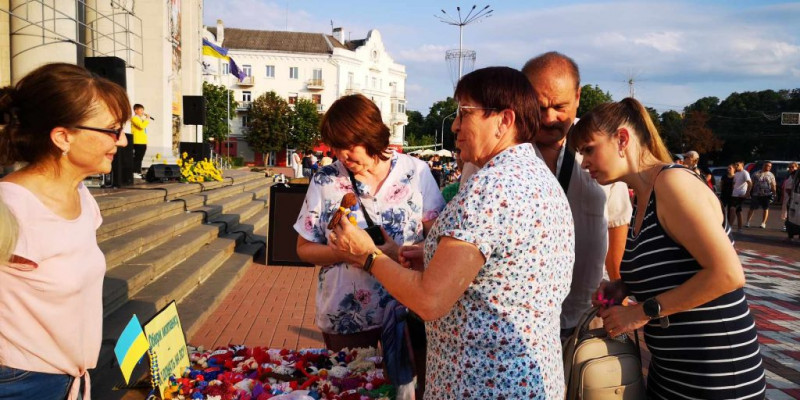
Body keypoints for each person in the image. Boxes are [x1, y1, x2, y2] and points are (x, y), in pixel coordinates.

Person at [329, 67, 574, 399]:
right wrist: (432, 258)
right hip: (528, 377)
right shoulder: (535, 177)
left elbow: (429, 301)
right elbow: (499, 275)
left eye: (464, 112)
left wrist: (367, 256)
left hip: (482, 382)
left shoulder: (491, 188)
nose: (456, 124)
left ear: (504, 120)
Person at [572, 97, 765, 399]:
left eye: (589, 149)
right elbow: (675, 268)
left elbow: (727, 275)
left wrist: (642, 312)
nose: (584, 163)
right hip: (673, 372)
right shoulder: (643, 197)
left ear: (622, 139)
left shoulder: (673, 184)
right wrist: (623, 287)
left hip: (717, 375)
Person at [294, 94, 445, 396]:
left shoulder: (415, 172)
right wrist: (342, 252)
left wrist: (399, 253)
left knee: (408, 390)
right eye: (335, 146)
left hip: (407, 306)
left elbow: (439, 241)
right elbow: (304, 247)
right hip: (346, 314)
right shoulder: (325, 179)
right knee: (348, 389)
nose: (342, 155)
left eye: (350, 145)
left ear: (372, 136)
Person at [0, 63, 131, 399]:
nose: (123, 141)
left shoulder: (82, 197)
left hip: (68, 380)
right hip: (20, 385)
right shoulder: (11, 207)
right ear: (63, 137)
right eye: (112, 130)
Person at [521, 51, 632, 336]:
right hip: (516, 321)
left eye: (560, 106)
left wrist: (618, 292)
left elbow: (617, 226)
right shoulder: (499, 150)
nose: (549, 118)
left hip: (584, 316)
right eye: (538, 106)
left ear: (578, 97)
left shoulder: (604, 150)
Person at [745, 161, 776, 229]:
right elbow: (751, 183)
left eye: (770, 166)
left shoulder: (771, 175)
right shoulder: (756, 173)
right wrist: (748, 192)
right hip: (756, 194)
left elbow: (773, 185)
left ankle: (763, 223)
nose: (768, 167)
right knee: (752, 208)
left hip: (767, 194)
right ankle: (748, 221)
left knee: (766, 208)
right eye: (767, 165)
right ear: (763, 165)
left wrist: (774, 193)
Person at [130, 103, 150, 178]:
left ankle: (138, 171)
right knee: (137, 157)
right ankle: (135, 172)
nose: (142, 111)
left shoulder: (140, 119)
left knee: (140, 157)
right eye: (140, 110)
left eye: (143, 110)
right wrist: (147, 119)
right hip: (137, 141)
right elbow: (141, 126)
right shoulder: (134, 118)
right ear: (135, 111)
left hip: (142, 141)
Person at [730, 161, 752, 230]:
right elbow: (734, 183)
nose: (736, 166)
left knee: (732, 209)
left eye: (738, 165)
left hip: (740, 194)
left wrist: (747, 193)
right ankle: (740, 228)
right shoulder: (736, 173)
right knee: (738, 211)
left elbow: (750, 183)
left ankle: (729, 226)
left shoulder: (745, 173)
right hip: (735, 194)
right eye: (735, 165)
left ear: (742, 165)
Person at [781, 162, 798, 231]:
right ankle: (787, 226)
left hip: (796, 198)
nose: (791, 169)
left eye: (793, 167)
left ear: (797, 168)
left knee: (794, 213)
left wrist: (791, 191)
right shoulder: (788, 176)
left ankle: (791, 228)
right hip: (787, 198)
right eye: (790, 167)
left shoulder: (797, 177)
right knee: (787, 212)